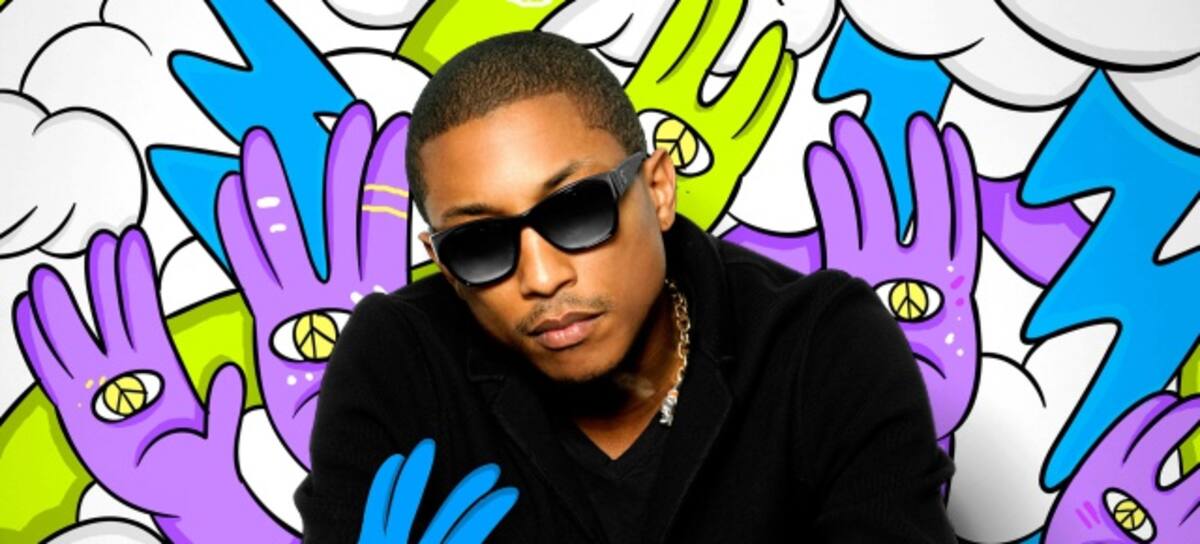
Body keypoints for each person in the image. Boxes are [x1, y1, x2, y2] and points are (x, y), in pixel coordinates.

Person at [295, 30, 956, 543]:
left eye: (576, 211)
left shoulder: (821, 347)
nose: (542, 277)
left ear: (658, 189)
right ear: (442, 264)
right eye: (480, 244)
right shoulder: (399, 362)